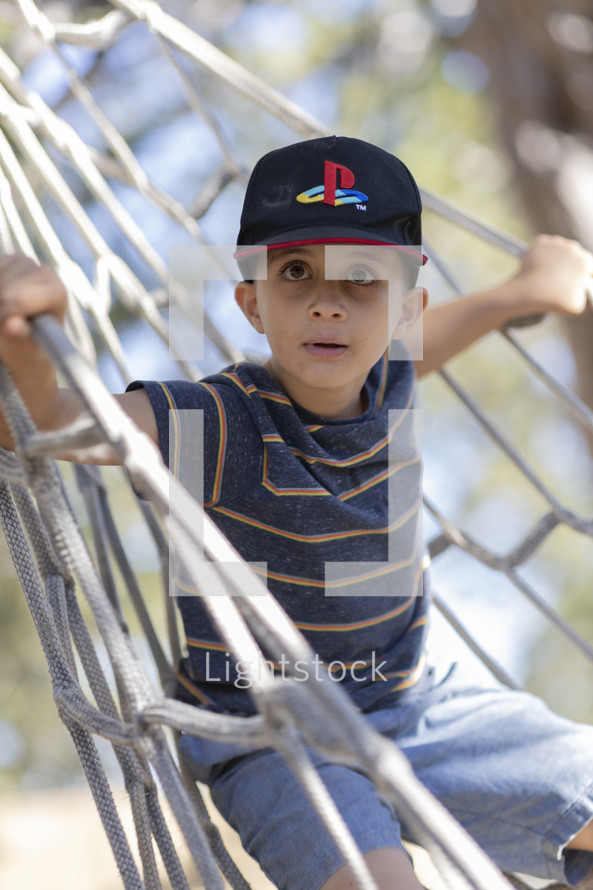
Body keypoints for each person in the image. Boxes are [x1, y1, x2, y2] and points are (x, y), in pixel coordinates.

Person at [0, 135, 593, 890]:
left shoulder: (391, 376)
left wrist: (523, 291)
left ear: (404, 307)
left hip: (415, 703)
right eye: (295, 273)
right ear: (250, 301)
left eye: (360, 280)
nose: (327, 300)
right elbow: (56, 421)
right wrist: (27, 352)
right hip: (272, 738)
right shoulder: (218, 420)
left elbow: (430, 341)